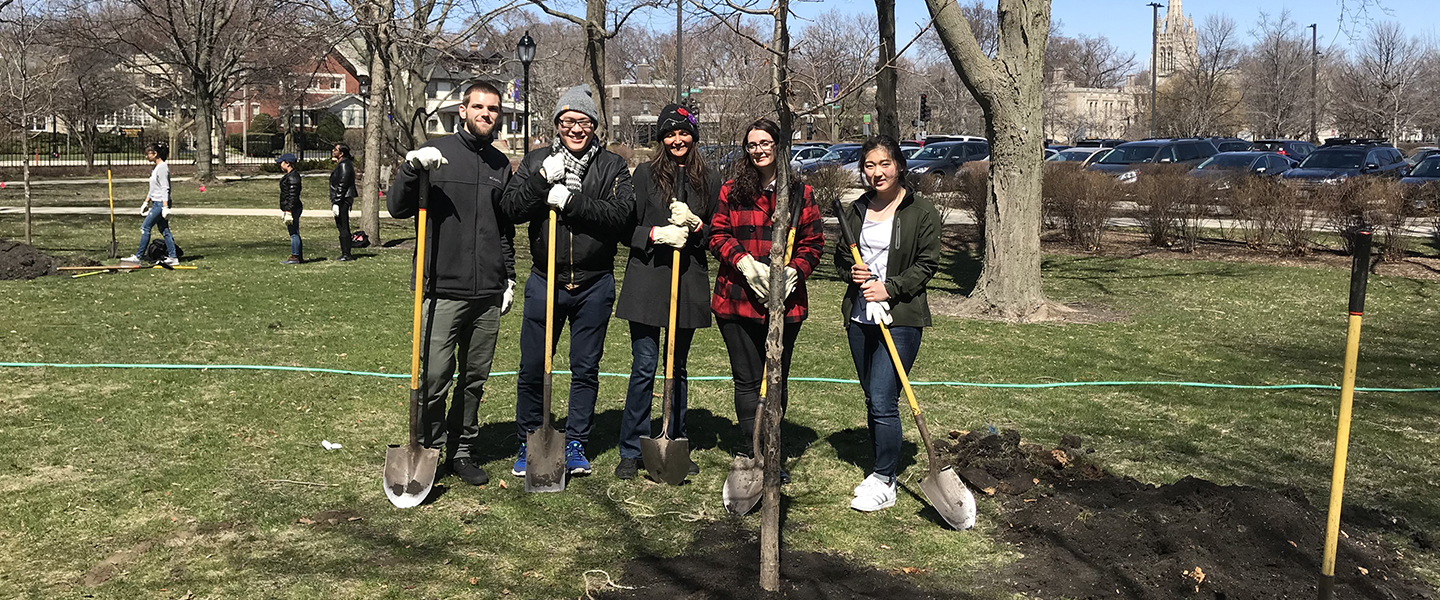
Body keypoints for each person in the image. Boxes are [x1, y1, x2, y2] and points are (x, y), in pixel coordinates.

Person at [387, 81, 517, 486]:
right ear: (463, 110)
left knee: (474, 379)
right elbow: (396, 207)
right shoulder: (436, 153)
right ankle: (428, 446)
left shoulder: (501, 165)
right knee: (435, 377)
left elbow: (504, 229)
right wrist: (411, 169)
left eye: (493, 109)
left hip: (487, 293)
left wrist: (508, 276)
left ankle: (462, 451)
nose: (486, 114)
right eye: (479, 107)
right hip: (442, 288)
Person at [501, 84, 633, 478]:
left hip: (594, 283)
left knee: (585, 368)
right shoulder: (536, 161)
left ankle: (576, 442)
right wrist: (542, 182)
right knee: (532, 366)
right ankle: (530, 439)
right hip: (546, 281)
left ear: (594, 125)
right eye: (568, 121)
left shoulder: (611, 167)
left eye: (584, 121)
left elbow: (621, 216)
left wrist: (571, 202)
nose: (576, 128)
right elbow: (510, 208)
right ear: (557, 124)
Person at [708, 118, 824, 482]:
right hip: (737, 299)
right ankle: (751, 451)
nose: (758, 150)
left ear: (779, 146)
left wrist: (796, 271)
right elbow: (717, 234)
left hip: (784, 306)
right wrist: (743, 261)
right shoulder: (732, 190)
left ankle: (773, 450)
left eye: (765, 143)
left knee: (775, 380)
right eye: (752, 144)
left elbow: (814, 242)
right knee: (746, 379)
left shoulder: (800, 194)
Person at [834, 135, 941, 512]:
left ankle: (885, 479)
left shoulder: (920, 210)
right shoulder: (856, 209)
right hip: (860, 317)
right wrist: (854, 273)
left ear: (899, 166)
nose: (877, 173)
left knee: (883, 397)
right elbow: (839, 259)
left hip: (902, 316)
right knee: (872, 395)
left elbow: (927, 264)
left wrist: (889, 288)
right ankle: (880, 466)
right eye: (869, 166)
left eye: (884, 164)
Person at [613, 104, 719, 480]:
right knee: (644, 366)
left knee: (678, 367)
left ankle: (675, 436)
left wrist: (696, 226)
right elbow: (625, 229)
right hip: (648, 280)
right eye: (670, 134)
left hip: (686, 280)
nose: (678, 140)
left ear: (694, 136)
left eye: (684, 133)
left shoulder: (709, 178)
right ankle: (631, 447)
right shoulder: (644, 174)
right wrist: (656, 234)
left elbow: (715, 235)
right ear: (661, 139)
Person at [121, 142, 178, 266]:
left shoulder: (162, 167)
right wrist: (146, 202)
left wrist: (165, 206)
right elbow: (153, 188)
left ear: (155, 153)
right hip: (156, 202)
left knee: (145, 227)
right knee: (164, 229)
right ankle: (173, 257)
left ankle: (138, 257)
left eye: (148, 154)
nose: (146, 156)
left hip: (160, 203)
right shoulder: (155, 168)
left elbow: (165, 188)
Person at [329, 143, 358, 262]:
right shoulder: (342, 164)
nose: (333, 151)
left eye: (336, 150)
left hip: (343, 199)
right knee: (340, 225)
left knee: (343, 224)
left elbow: (342, 184)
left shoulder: (345, 165)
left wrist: (337, 202)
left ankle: (346, 253)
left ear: (341, 153)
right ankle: (345, 252)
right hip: (342, 198)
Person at [277, 153, 304, 264]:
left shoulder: (293, 177)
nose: (280, 165)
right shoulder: (291, 176)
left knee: (294, 233)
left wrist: (289, 210)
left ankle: (295, 256)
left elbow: (293, 195)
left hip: (293, 208)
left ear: (287, 163)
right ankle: (297, 255)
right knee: (293, 232)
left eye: (281, 163)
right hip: (291, 207)